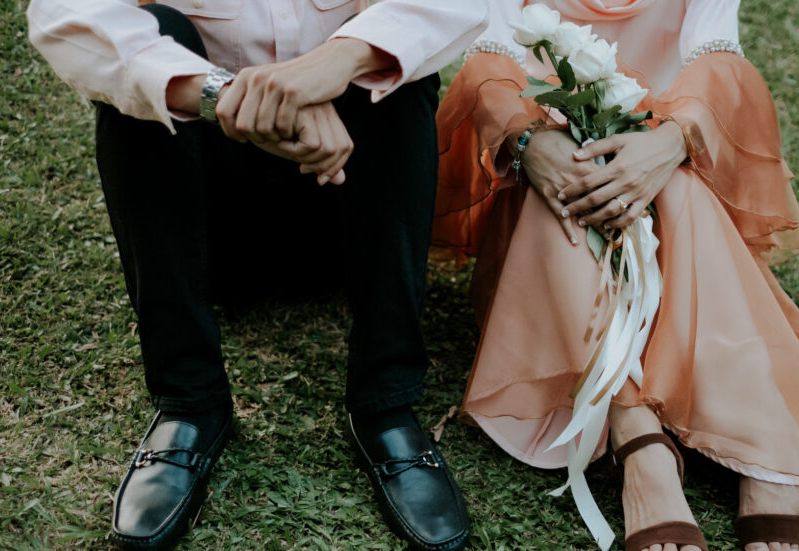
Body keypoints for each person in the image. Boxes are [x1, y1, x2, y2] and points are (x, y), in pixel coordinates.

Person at [433, 1, 799, 550]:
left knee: (677, 183)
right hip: (547, 178)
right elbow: (491, 56)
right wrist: (531, 142)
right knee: (566, 190)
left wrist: (670, 141)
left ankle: (742, 431)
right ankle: (641, 441)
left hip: (666, 168)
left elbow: (717, 57)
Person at [26, 1, 487, 550]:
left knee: (398, 64)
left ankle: (386, 403)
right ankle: (190, 402)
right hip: (208, 225)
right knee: (147, 58)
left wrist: (335, 63)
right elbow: (63, 13)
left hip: (341, 200)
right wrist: (226, 96)